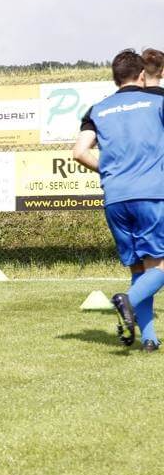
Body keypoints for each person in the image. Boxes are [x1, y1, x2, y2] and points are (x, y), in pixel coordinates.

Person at [73, 49, 164, 352]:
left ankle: (149, 338)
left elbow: (80, 151)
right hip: (151, 193)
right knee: (159, 266)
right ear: (141, 75)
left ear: (115, 78)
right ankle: (128, 300)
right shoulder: (157, 101)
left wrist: (111, 169)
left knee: (140, 269)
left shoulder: (98, 109)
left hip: (115, 197)